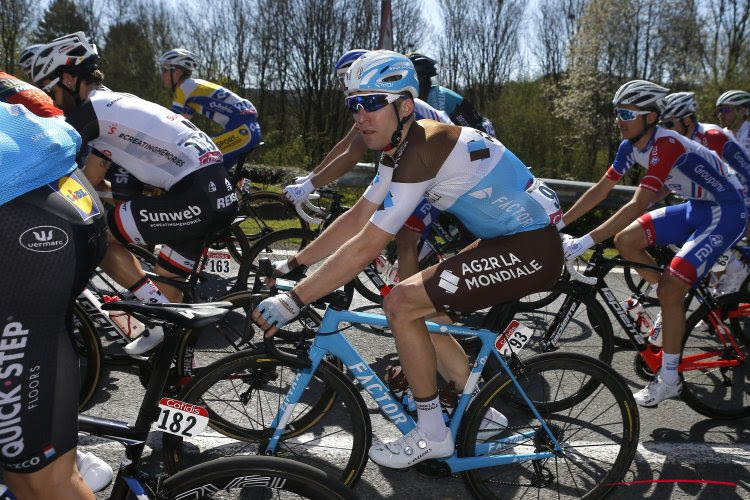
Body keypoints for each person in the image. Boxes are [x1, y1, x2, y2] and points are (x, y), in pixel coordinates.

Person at [253, 51, 564, 468]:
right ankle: (483, 416)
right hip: (506, 241)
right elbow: (358, 218)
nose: (360, 116)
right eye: (353, 104)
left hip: (532, 248)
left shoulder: (425, 144)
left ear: (403, 106)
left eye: (371, 103)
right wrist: (294, 265)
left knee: (401, 302)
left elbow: (367, 246)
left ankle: (432, 434)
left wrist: (294, 301)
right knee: (425, 320)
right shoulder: (396, 149)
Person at [31, 32, 239, 354]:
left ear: (70, 78)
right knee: (170, 300)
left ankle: (155, 321)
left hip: (195, 196)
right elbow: (93, 177)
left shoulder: (90, 112)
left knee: (95, 237)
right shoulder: (114, 105)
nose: (52, 101)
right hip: (213, 193)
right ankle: (178, 374)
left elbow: (51, 165)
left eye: (51, 90)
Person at [561, 80, 746, 407]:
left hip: (727, 211)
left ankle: (670, 378)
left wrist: (584, 242)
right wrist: (560, 223)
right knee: (626, 241)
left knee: (669, 289)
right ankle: (673, 297)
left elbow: (636, 204)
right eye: (616, 112)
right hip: (695, 207)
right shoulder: (630, 146)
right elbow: (602, 190)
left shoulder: (667, 145)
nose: (618, 119)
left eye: (626, 113)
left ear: (649, 117)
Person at [0, 101, 109, 499]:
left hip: (25, 221)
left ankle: (62, 461)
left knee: (43, 477)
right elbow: (44, 106)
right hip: (61, 186)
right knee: (19, 473)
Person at [283, 49, 454, 288]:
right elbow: (344, 147)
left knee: (405, 236)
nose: (342, 87)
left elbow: (351, 157)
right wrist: (311, 178)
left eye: (344, 79)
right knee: (375, 217)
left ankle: (409, 308)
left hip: (440, 170)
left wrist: (309, 185)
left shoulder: (381, 106)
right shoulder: (372, 108)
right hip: (424, 165)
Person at [661, 91, 750, 294]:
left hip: (738, 196)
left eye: (669, 124)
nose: (666, 131)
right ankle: (718, 292)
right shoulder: (682, 142)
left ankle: (735, 272)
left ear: (686, 119)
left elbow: (746, 169)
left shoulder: (712, 136)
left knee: (713, 239)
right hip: (716, 199)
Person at [159, 48, 262, 171]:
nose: (162, 74)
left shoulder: (184, 88)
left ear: (176, 72)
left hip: (243, 131)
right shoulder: (192, 86)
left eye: (164, 70)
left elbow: (170, 124)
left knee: (198, 159)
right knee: (213, 172)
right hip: (248, 129)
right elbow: (182, 125)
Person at [407, 52, 495, 137]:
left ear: (422, 77)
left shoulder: (436, 96)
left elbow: (439, 134)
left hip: (480, 132)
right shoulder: (427, 94)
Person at [716, 90, 750, 155]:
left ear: (742, 111)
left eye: (725, 110)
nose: (720, 115)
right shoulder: (721, 135)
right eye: (720, 111)